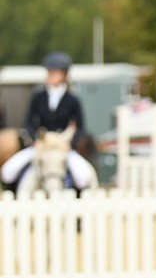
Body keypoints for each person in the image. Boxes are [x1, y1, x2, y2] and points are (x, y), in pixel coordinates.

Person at [0, 52, 94, 190]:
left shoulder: (72, 100)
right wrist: (35, 139)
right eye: (50, 72)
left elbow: (80, 127)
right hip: (41, 145)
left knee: (83, 177)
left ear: (65, 75)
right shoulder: (38, 97)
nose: (51, 75)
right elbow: (29, 122)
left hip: (63, 147)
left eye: (55, 72)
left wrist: (70, 143)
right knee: (9, 171)